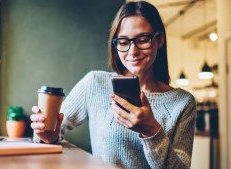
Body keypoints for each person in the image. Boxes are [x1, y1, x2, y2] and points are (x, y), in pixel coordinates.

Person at [30, 1, 197, 169]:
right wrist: (46, 134)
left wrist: (152, 131)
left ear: (159, 40)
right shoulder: (95, 83)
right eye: (123, 42)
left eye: (143, 39)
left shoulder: (183, 102)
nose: (132, 51)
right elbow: (52, 132)